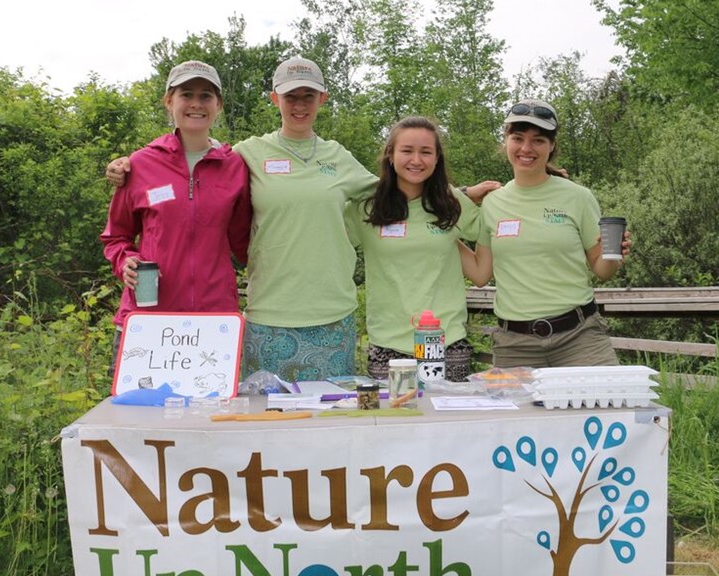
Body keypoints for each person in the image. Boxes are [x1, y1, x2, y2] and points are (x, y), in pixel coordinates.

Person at [106, 57, 489, 382]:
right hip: (264, 314)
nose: (300, 104)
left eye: (308, 95)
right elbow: (192, 163)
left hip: (330, 315)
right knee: (263, 427)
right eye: (291, 96)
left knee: (325, 428)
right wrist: (130, 166)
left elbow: (396, 188)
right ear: (276, 99)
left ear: (321, 99)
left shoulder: (337, 157)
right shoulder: (245, 155)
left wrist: (462, 194)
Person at [100, 60, 252, 372]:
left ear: (218, 105)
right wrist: (124, 260)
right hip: (149, 319)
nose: (196, 104)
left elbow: (246, 243)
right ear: (169, 101)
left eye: (206, 96)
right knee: (139, 417)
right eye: (187, 94)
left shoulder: (235, 166)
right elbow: (116, 237)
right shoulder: (140, 165)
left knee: (211, 418)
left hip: (214, 323)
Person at [460, 98, 630, 368]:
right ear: (506, 141)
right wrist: (444, 234)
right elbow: (481, 274)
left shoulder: (578, 197)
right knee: (514, 411)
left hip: (580, 338)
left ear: (551, 146)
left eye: (538, 140)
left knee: (605, 407)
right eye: (518, 138)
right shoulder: (493, 202)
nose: (526, 148)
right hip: (514, 344)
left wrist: (614, 253)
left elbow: (603, 270)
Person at [345, 116, 500, 381]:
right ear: (390, 156)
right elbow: (329, 245)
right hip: (388, 345)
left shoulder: (451, 202)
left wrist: (499, 204)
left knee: (447, 421)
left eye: (426, 152)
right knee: (395, 421)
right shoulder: (367, 207)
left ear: (437, 158)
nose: (416, 160)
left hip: (447, 341)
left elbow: (481, 271)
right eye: (407, 150)